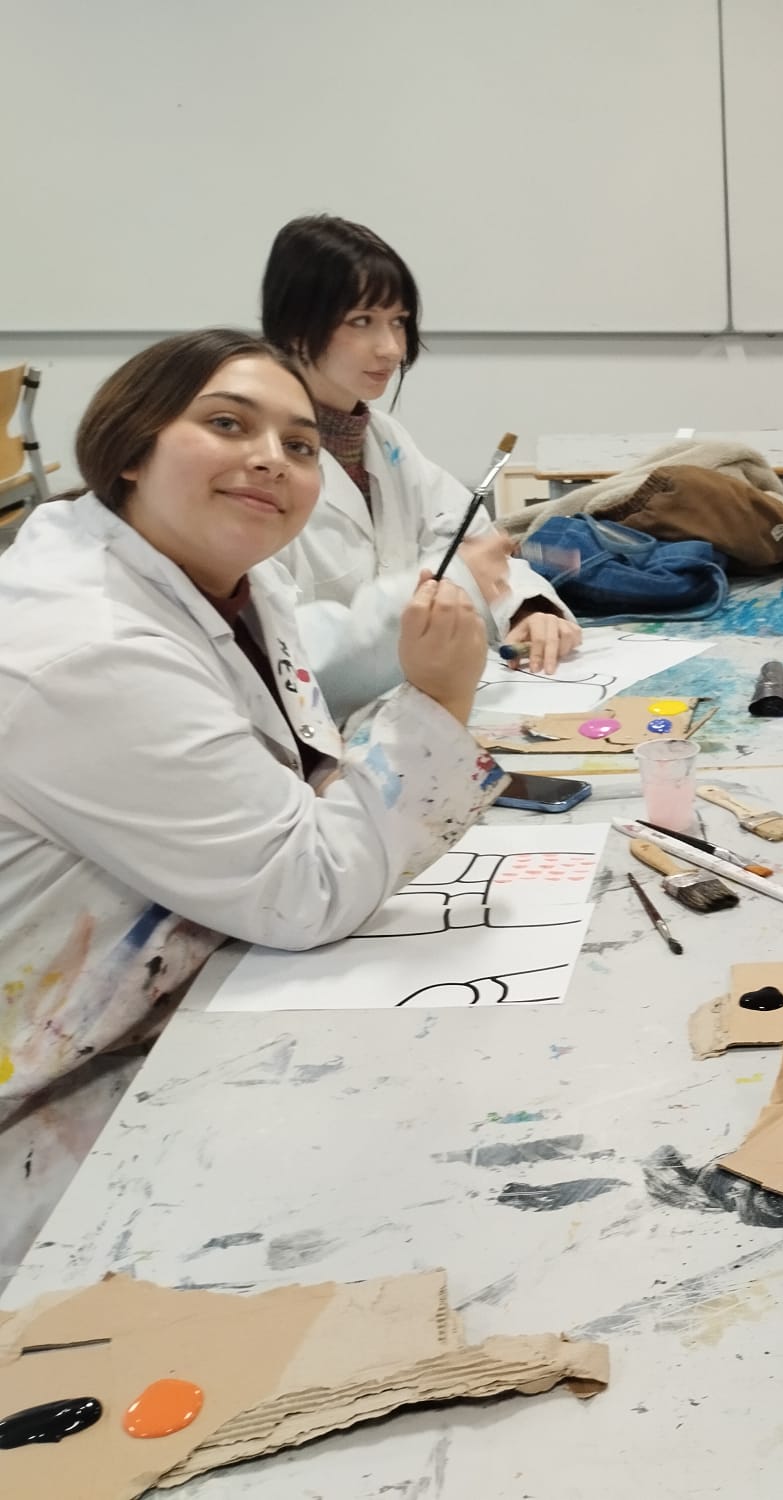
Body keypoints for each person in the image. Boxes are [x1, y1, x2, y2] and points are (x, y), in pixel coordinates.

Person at [0, 329, 503, 1285]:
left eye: (299, 445)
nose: (271, 458)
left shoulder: (234, 582)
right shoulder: (85, 648)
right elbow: (302, 887)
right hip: (63, 1117)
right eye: (228, 424)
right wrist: (439, 703)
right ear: (131, 447)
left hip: (193, 997)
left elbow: (303, 781)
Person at [261, 215, 580, 714]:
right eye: (361, 321)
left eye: (398, 321)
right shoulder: (261, 467)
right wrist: (459, 581)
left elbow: (468, 545)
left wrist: (527, 608)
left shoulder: (387, 443)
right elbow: (284, 653)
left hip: (408, 712)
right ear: (296, 325)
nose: (391, 348)